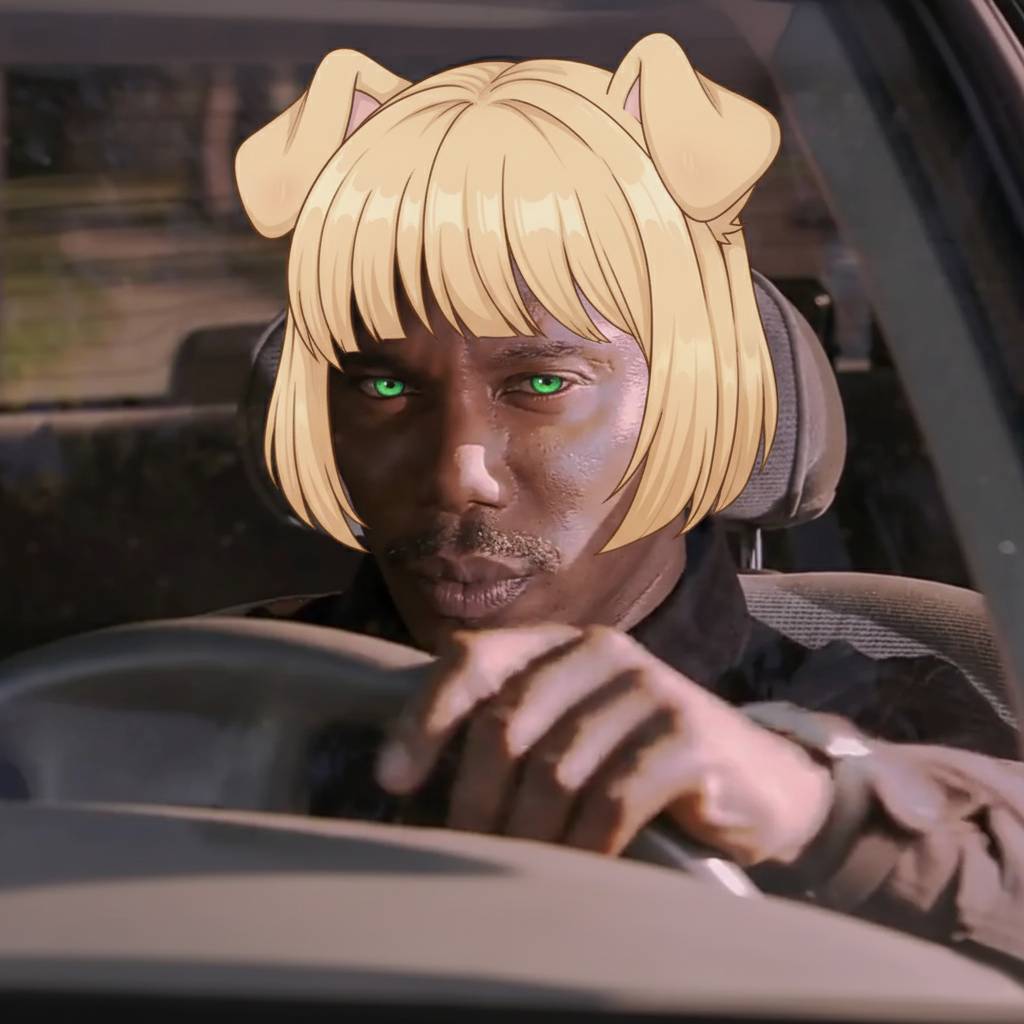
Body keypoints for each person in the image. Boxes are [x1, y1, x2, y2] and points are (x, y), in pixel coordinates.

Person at [234, 35, 1024, 973]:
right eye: (382, 387)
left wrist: (823, 815)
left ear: (698, 383)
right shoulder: (200, 700)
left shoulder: (884, 717)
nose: (456, 474)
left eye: (541, 385)